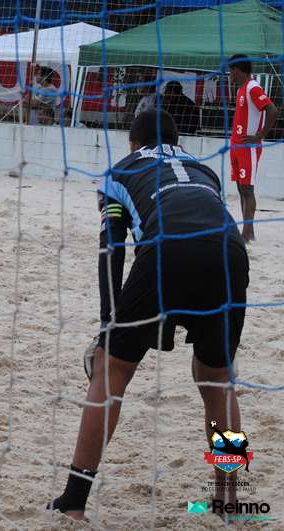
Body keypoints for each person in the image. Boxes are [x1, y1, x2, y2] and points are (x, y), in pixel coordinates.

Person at [50, 111, 250, 521]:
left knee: (112, 371)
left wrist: (107, 325)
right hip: (229, 252)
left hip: (165, 251)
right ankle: (229, 500)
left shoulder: (119, 172)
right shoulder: (204, 169)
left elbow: (112, 249)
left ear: (132, 143)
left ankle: (73, 501)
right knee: (217, 380)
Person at [228, 54, 278, 242]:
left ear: (236, 70)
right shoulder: (242, 89)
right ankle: (248, 231)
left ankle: (247, 232)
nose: (229, 75)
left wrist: (259, 136)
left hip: (247, 147)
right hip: (236, 146)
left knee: (247, 189)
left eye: (230, 71)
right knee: (241, 189)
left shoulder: (253, 87)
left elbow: (272, 110)